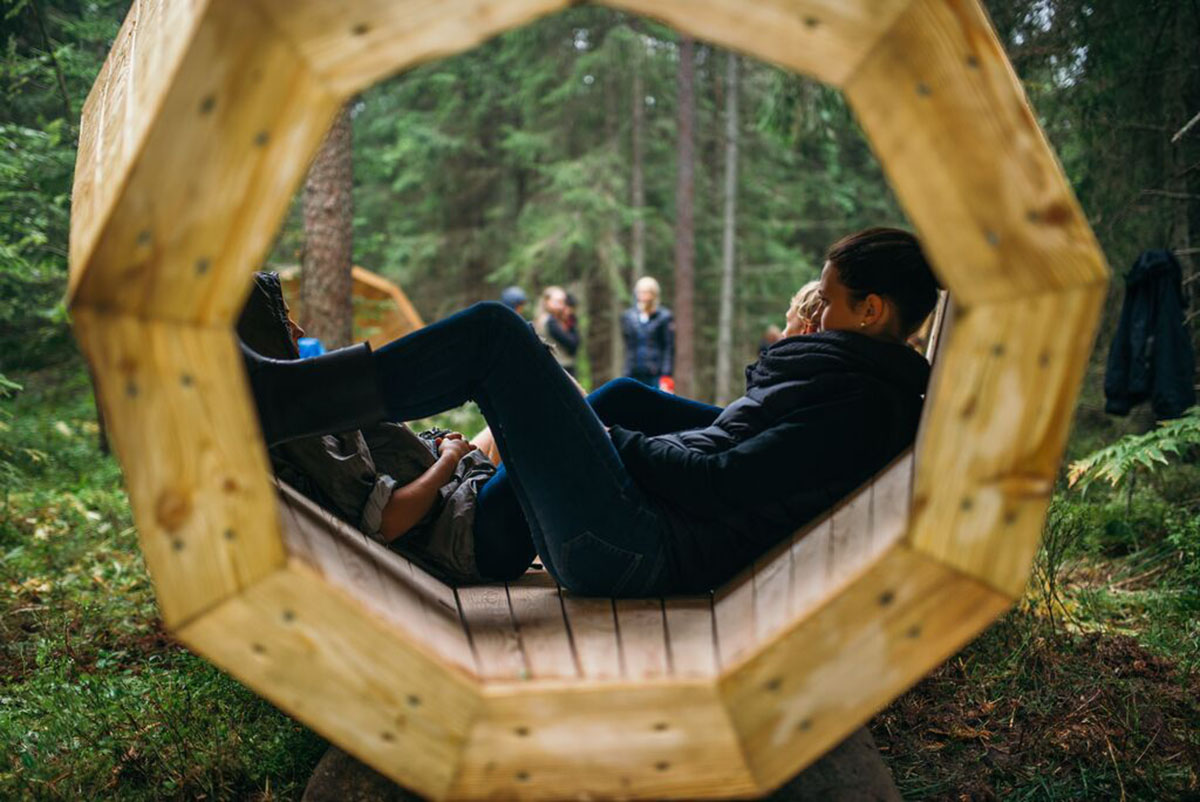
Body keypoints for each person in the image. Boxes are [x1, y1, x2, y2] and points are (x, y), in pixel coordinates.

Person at [241, 227, 940, 597]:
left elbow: (721, 479)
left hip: (636, 555)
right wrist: (612, 428)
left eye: (827, 300)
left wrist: (607, 441)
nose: (814, 309)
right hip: (651, 540)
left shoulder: (849, 398)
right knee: (625, 393)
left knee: (496, 336)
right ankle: (297, 394)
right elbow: (740, 449)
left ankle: (285, 400)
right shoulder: (852, 381)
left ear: (870, 311)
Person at [621, 276, 675, 392]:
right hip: (634, 372)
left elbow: (668, 347)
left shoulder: (664, 317)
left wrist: (666, 375)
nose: (643, 296)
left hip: (656, 373)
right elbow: (629, 347)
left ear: (654, 294)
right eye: (640, 292)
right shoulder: (629, 317)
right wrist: (626, 372)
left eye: (647, 292)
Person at [534, 285, 580, 377]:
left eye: (563, 301)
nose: (562, 305)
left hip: (557, 368)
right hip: (561, 368)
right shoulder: (550, 321)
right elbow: (572, 344)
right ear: (547, 302)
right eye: (558, 302)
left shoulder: (545, 319)